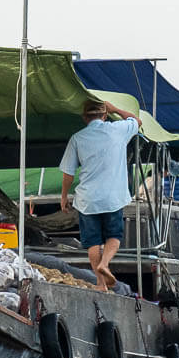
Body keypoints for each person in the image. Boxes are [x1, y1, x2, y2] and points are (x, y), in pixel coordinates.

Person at [60, 99, 140, 290]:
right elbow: (137, 121)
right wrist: (116, 109)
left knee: (92, 242)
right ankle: (106, 263)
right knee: (114, 236)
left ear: (84, 118)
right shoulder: (118, 130)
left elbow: (68, 174)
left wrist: (63, 197)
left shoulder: (77, 138)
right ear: (105, 115)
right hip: (113, 197)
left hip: (87, 199)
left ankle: (100, 283)